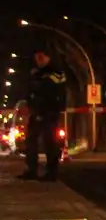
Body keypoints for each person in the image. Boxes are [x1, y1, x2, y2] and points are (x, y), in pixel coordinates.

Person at [18, 51, 68, 182]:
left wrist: (46, 110)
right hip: (36, 111)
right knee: (30, 140)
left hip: (49, 112)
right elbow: (31, 91)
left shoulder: (56, 72)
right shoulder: (35, 72)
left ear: (48, 57)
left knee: (49, 142)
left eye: (42, 57)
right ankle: (31, 169)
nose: (39, 60)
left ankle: (51, 173)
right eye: (37, 57)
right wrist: (29, 104)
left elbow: (52, 93)